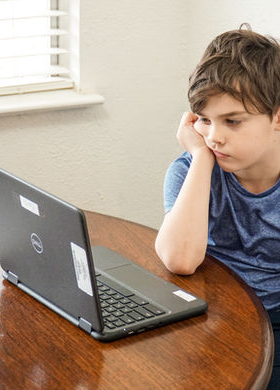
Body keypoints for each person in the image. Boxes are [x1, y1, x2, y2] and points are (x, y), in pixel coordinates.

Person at [155, 24, 280, 389]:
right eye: (205, 121)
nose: (214, 136)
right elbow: (179, 259)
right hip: (210, 316)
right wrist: (200, 159)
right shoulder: (190, 169)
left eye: (232, 121)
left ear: (277, 117)